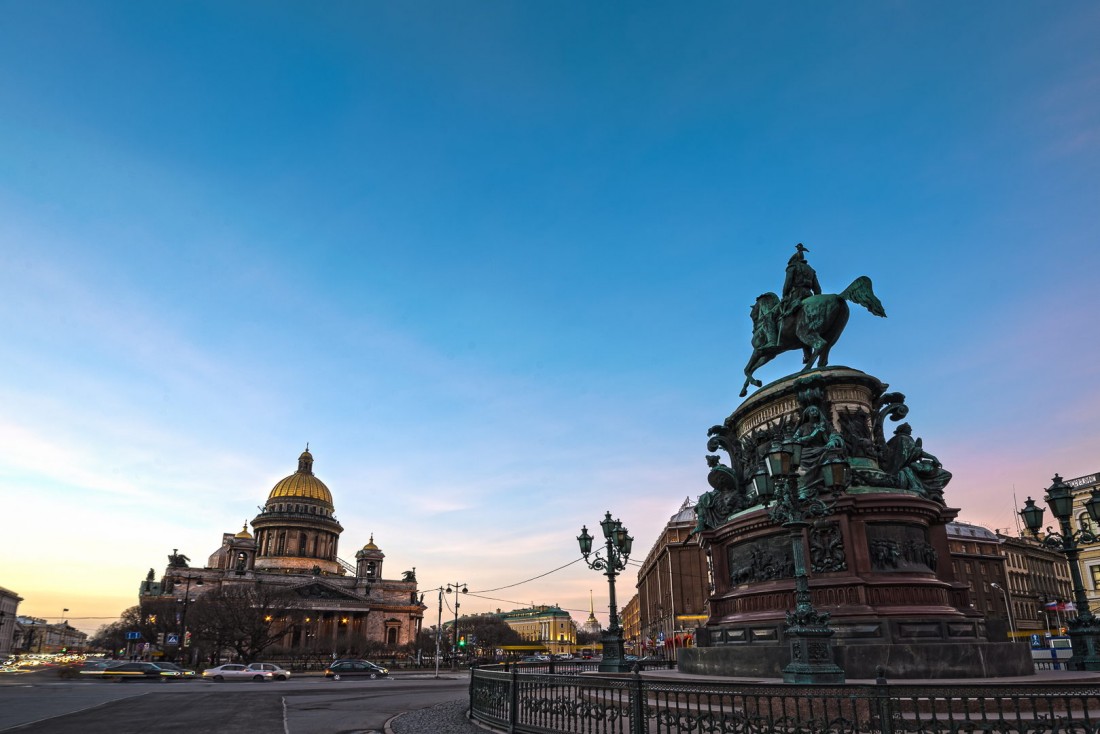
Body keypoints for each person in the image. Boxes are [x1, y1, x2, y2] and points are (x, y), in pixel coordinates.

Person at [884, 423, 951, 502]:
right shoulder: (903, 438)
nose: (911, 430)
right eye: (909, 428)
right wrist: (932, 457)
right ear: (902, 429)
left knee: (945, 474)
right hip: (905, 468)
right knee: (944, 474)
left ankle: (932, 490)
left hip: (912, 468)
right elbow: (915, 452)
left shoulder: (901, 439)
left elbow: (915, 452)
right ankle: (928, 489)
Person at [777, 243, 821, 342]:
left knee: (777, 314)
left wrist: (784, 296)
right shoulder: (811, 270)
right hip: (809, 295)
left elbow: (787, 283)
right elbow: (817, 289)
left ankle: (773, 340)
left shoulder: (792, 267)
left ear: (793, 260)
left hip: (795, 295)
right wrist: (817, 300)